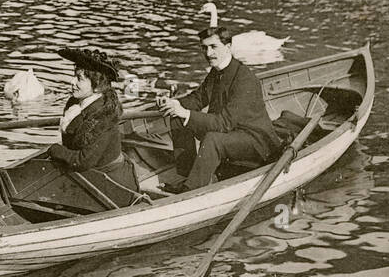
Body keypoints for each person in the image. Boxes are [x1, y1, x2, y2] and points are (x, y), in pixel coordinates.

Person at [159, 26, 281, 193]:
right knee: (177, 118)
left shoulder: (244, 78)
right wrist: (173, 103)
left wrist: (186, 113)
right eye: (204, 47)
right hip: (231, 133)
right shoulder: (216, 71)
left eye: (213, 47)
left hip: (255, 140)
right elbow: (198, 98)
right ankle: (187, 175)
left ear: (228, 47)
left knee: (212, 139)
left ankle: (190, 191)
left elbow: (224, 123)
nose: (208, 53)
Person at [47, 48, 141, 208]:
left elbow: (83, 160)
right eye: (73, 76)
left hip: (111, 183)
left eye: (79, 79)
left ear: (96, 86)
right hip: (86, 175)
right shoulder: (74, 103)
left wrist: (54, 150)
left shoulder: (104, 114)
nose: (72, 82)